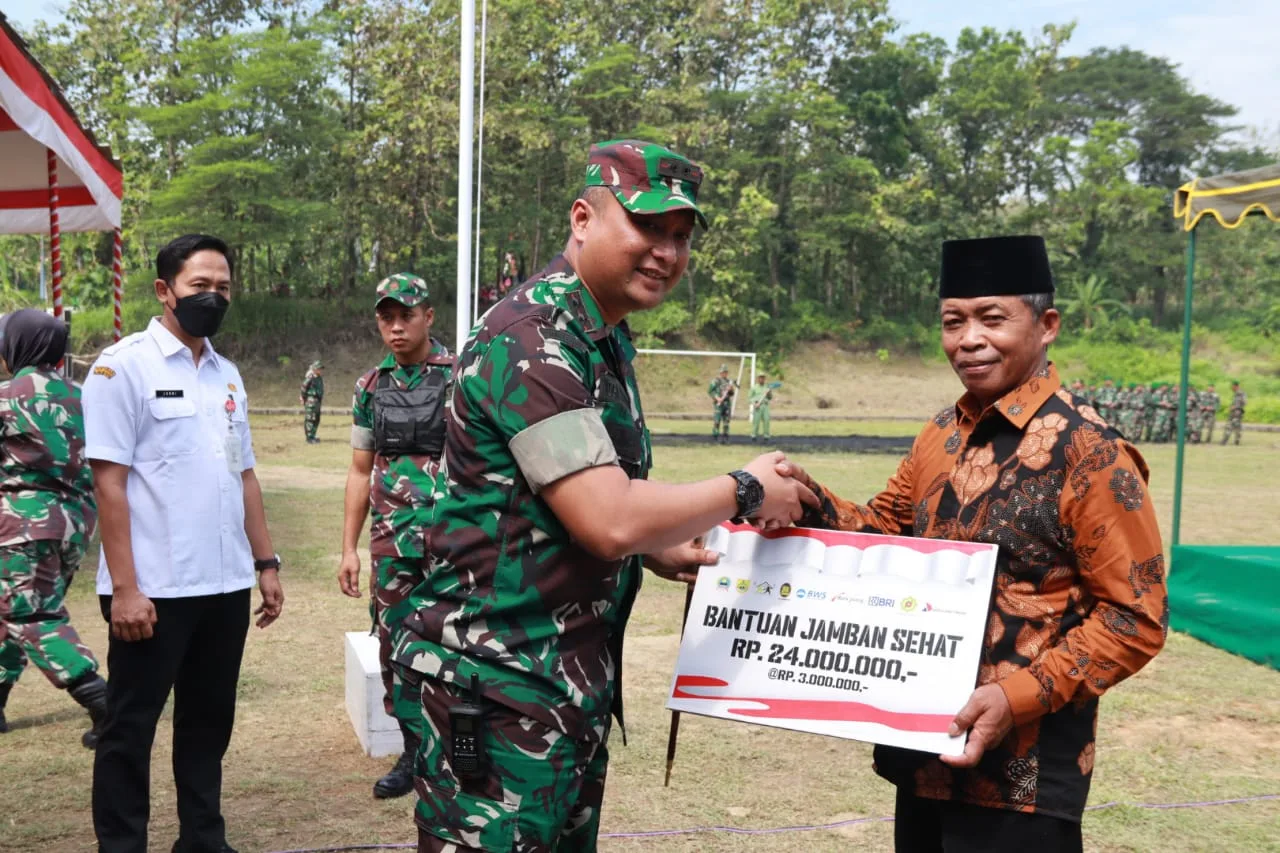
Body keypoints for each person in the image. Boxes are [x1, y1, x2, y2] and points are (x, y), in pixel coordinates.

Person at [391, 139, 817, 853]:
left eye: (680, 236)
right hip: (497, 688)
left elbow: (567, 499)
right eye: (646, 225)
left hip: (557, 685)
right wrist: (745, 488)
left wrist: (654, 547)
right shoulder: (532, 339)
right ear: (583, 219)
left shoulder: (598, 336)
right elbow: (608, 519)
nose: (666, 252)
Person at [777, 235, 1166, 853]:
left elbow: (1134, 618)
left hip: (1024, 783)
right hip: (923, 755)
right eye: (952, 322)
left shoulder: (1091, 452)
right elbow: (883, 533)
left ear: (1047, 325)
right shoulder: (940, 435)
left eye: (992, 318)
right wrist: (806, 500)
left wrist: (1014, 699)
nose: (969, 340)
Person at [84, 234, 285, 853]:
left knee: (207, 724)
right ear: (164, 290)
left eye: (223, 287)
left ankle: (202, 839)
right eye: (200, 286)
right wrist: (126, 589)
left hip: (223, 585)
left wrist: (266, 562)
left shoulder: (227, 375)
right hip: (153, 590)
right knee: (130, 729)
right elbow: (109, 485)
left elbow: (243, 474)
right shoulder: (121, 367)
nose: (213, 297)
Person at [337, 272, 452, 799]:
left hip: (455, 538)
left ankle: (460, 750)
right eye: (387, 318)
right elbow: (360, 470)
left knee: (462, 643)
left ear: (429, 316)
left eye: (407, 315)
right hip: (392, 541)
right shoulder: (370, 386)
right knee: (394, 645)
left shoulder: (461, 377)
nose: (397, 327)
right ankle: (413, 752)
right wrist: (348, 549)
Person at [0, 309, 106, 746]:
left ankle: (102, 701)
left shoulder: (6, 397)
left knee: (31, 614)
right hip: (76, 525)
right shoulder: (84, 396)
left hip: (22, 525)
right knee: (12, 610)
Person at [708, 365, 736, 444]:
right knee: (717, 421)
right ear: (720, 373)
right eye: (723, 372)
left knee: (726, 422)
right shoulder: (716, 381)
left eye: (726, 372)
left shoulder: (729, 382)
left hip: (726, 404)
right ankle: (715, 437)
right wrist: (717, 398)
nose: (724, 373)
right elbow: (710, 391)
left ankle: (725, 438)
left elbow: (731, 394)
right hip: (719, 404)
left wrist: (731, 389)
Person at [300, 360, 325, 444]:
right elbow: (303, 387)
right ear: (314, 369)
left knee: (316, 419)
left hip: (317, 401)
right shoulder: (310, 377)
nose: (320, 370)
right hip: (311, 401)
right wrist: (303, 398)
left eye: (321, 369)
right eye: (319, 369)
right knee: (310, 419)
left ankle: (313, 435)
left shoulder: (319, 378)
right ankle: (309, 438)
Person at [748, 373, 775, 442]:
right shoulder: (754, 388)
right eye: (760, 377)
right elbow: (749, 398)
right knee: (756, 421)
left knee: (766, 420)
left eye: (763, 378)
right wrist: (754, 404)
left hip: (765, 406)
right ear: (758, 379)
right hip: (758, 406)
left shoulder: (767, 387)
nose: (762, 379)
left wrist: (769, 393)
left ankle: (766, 436)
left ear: (764, 379)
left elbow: (770, 398)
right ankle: (754, 435)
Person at [1221, 381, 1246, 446]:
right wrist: (1231, 407)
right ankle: (1232, 440)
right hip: (1233, 412)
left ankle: (1226, 441)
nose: (1232, 388)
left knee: (1232, 426)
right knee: (1233, 426)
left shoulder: (1241, 393)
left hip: (1237, 412)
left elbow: (1244, 403)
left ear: (1236, 386)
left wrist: (1235, 407)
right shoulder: (1236, 394)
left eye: (1232, 387)